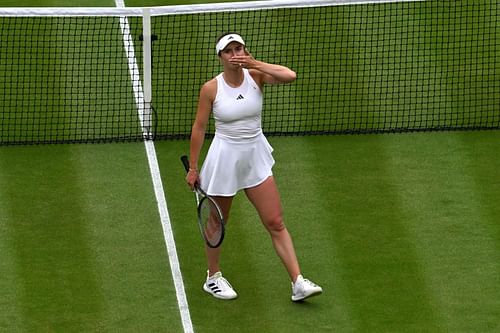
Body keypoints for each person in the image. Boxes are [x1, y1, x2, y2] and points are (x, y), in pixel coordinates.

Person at [186, 32, 322, 302]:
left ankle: (297, 282)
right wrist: (193, 167)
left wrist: (255, 63)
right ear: (221, 57)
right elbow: (199, 128)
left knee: (275, 221)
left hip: (254, 155)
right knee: (218, 221)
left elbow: (290, 76)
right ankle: (213, 277)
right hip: (225, 157)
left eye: (239, 49)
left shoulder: (257, 76)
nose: (235, 54)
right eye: (229, 51)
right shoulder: (211, 88)